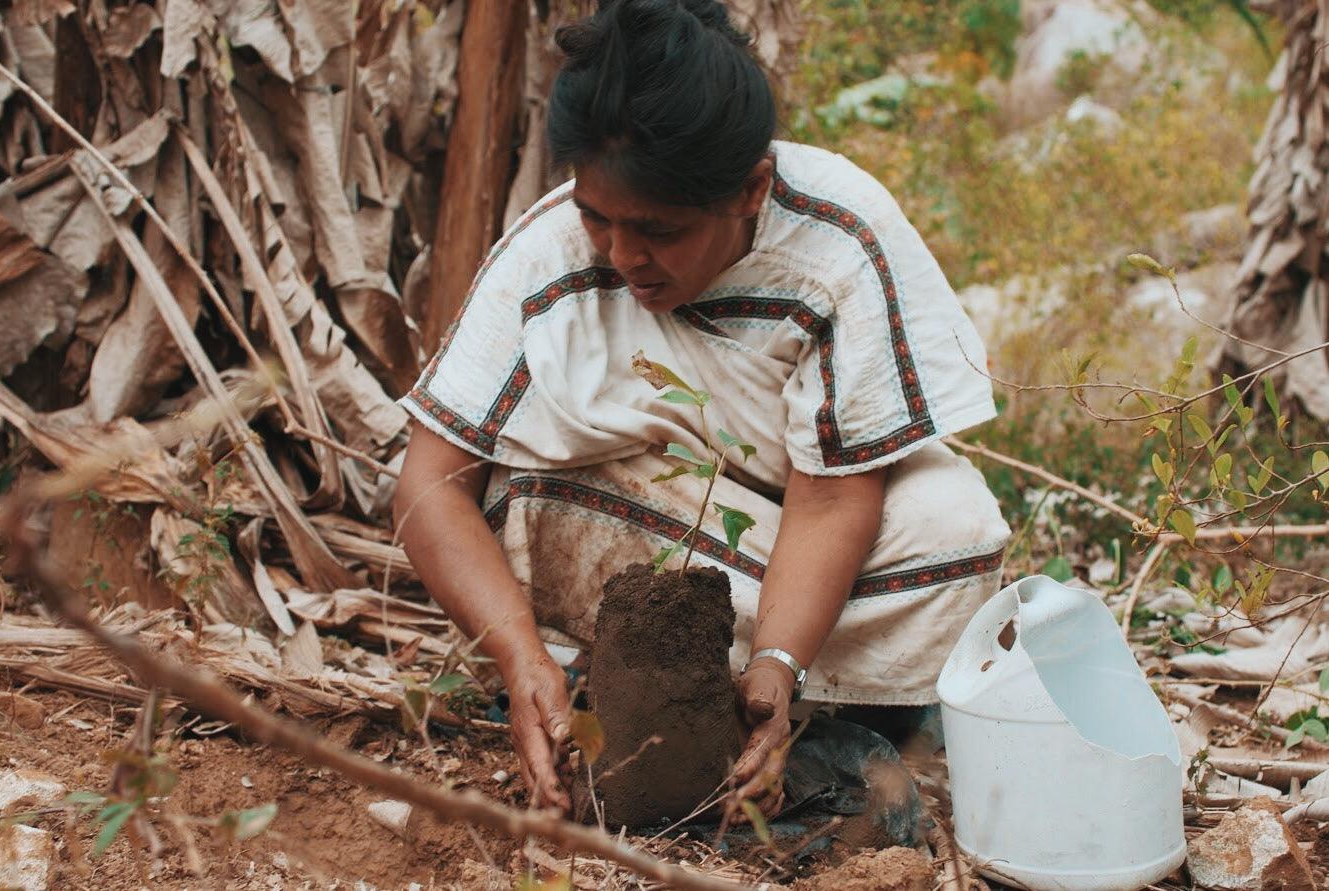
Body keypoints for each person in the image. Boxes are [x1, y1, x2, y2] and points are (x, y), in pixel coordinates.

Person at [394, 0, 1009, 820]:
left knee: (959, 534)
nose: (623, 255)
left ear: (752, 189)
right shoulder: (545, 255)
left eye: (659, 229)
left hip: (794, 533)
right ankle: (624, 684)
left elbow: (833, 493)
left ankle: (773, 702)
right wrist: (518, 656)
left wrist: (779, 659)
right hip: (633, 520)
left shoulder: (838, 238)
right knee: (521, 497)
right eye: (597, 217)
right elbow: (429, 485)